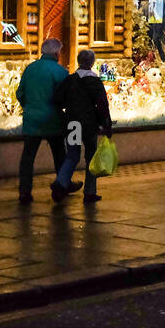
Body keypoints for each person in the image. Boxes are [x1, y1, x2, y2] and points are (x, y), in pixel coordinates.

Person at [51, 49, 113, 204]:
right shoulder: (95, 81)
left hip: (73, 124)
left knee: (72, 155)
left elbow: (57, 99)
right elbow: (102, 104)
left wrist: (64, 115)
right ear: (92, 63)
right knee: (91, 157)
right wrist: (107, 124)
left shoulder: (70, 80)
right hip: (90, 125)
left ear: (79, 61)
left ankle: (60, 184)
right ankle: (90, 192)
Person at [16, 39, 69, 204]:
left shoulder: (30, 69)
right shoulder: (60, 72)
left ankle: (25, 191)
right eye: (59, 52)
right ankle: (61, 187)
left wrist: (29, 107)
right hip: (53, 119)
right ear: (55, 53)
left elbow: (20, 93)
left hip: (32, 119)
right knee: (60, 155)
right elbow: (66, 97)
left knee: (28, 158)